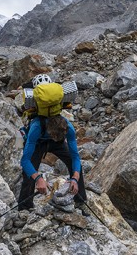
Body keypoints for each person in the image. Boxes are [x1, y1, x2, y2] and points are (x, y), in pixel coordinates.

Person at [18, 78, 88, 212]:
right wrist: (38, 178)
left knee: (74, 167)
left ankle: (80, 200)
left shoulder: (68, 127)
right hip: (38, 142)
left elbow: (75, 157)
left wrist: (75, 177)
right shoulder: (37, 127)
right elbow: (25, 161)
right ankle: (24, 208)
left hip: (58, 141)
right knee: (28, 175)